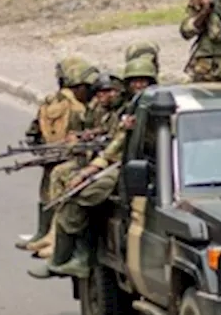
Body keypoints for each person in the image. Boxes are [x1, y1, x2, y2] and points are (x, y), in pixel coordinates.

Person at [29, 54, 159, 279]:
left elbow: (117, 147)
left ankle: (76, 257)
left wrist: (91, 169)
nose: (139, 86)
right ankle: (60, 252)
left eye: (144, 81)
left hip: (135, 169)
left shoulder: (148, 110)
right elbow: (113, 138)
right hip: (117, 163)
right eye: (134, 81)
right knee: (67, 183)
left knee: (82, 194)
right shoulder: (129, 109)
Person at [26, 71, 124, 259]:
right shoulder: (102, 110)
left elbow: (114, 144)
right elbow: (103, 132)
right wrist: (86, 136)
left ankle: (67, 245)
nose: (104, 96)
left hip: (108, 163)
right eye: (100, 93)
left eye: (109, 92)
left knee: (79, 189)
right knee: (58, 174)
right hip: (97, 158)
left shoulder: (124, 112)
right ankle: (53, 234)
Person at [14, 57, 98, 252]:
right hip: (69, 157)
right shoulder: (82, 107)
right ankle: (47, 235)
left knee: (51, 194)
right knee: (52, 194)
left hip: (57, 157)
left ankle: (48, 236)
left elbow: (34, 130)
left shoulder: (52, 102)